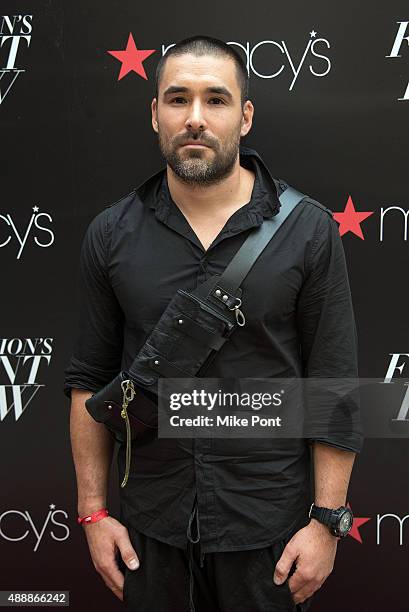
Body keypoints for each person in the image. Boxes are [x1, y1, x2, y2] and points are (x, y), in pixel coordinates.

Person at [64, 35, 363, 612]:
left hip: (268, 530)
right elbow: (88, 379)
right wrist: (94, 513)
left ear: (245, 116)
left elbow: (331, 383)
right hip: (149, 527)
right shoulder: (110, 234)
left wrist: (328, 521)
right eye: (177, 99)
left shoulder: (308, 229)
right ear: (155, 113)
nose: (195, 118)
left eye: (216, 100)